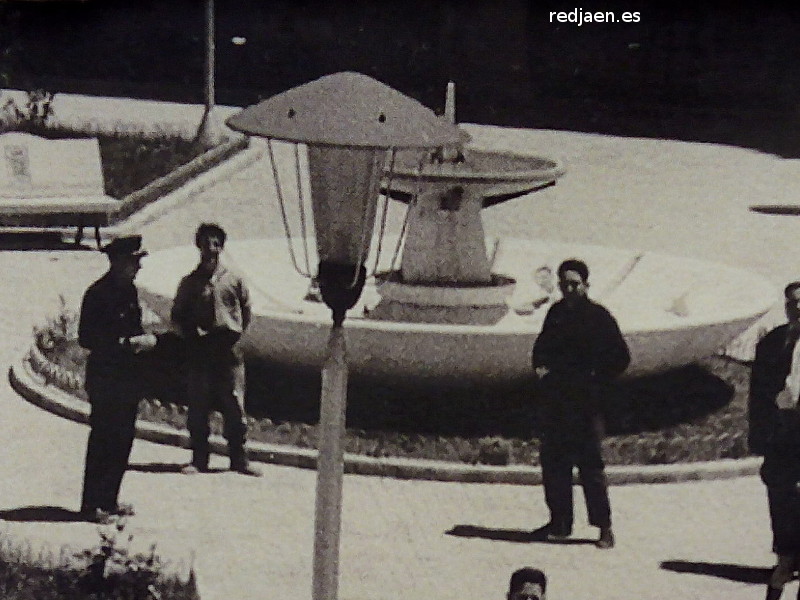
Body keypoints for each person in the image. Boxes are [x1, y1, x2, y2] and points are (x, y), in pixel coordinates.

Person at [531, 258, 630, 549]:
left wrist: (597, 380)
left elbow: (621, 358)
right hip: (557, 402)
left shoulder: (599, 317)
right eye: (564, 284)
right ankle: (559, 523)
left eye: (575, 283)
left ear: (586, 284)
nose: (569, 289)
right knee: (554, 465)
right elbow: (541, 348)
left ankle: (604, 527)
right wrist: (541, 370)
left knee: (591, 468)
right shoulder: (556, 313)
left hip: (587, 405)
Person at [78, 235, 158, 524]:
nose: (138, 267)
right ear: (118, 262)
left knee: (123, 439)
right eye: (134, 261)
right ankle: (91, 505)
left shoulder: (129, 291)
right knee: (103, 439)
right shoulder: (98, 294)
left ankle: (109, 500)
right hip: (105, 378)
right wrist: (129, 343)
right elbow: (86, 338)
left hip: (127, 379)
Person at [171, 223, 261, 477]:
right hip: (200, 350)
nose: (210, 248)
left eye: (215, 243)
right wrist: (190, 336)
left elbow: (246, 312)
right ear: (198, 246)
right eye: (205, 243)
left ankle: (239, 458)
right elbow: (176, 316)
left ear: (222, 247)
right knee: (198, 405)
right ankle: (199, 459)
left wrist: (236, 335)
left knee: (234, 403)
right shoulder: (189, 283)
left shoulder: (234, 280)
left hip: (228, 350)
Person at [749, 281, 800, 600]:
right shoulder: (772, 342)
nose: (798, 307)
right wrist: (758, 434)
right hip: (781, 432)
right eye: (792, 302)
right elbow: (756, 392)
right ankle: (785, 556)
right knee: (779, 495)